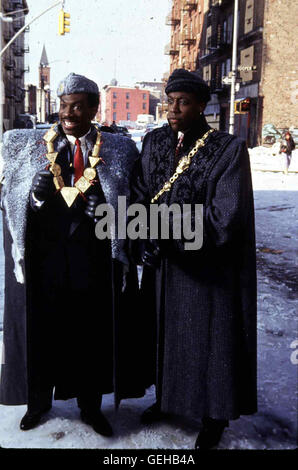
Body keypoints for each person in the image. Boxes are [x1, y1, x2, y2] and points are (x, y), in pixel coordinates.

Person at [0, 73, 148, 435]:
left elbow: (136, 203)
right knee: (42, 332)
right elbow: (10, 200)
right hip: (46, 260)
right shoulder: (30, 145)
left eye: (79, 105)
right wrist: (34, 198)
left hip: (93, 259)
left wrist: (107, 210)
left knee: (91, 335)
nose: (70, 113)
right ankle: (38, 403)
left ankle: (90, 407)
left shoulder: (118, 149)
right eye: (65, 105)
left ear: (95, 109)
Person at [131, 69, 257, 449]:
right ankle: (168, 399)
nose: (173, 109)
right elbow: (138, 196)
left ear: (202, 105)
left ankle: (213, 415)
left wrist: (168, 234)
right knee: (165, 336)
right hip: (164, 267)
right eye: (169, 101)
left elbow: (226, 215)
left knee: (208, 342)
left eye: (182, 102)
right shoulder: (152, 143)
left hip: (207, 268)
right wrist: (144, 239)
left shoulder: (228, 149)